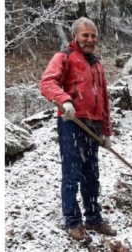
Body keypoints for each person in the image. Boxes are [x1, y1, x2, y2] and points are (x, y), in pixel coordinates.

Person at [40, 17, 116, 242]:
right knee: (72, 175)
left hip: (93, 126)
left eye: (93, 36)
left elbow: (103, 99)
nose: (90, 39)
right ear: (76, 36)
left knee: (92, 176)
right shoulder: (64, 57)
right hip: (72, 123)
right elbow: (47, 83)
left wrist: (107, 131)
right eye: (85, 35)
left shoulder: (97, 64)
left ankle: (93, 217)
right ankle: (73, 222)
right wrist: (65, 101)